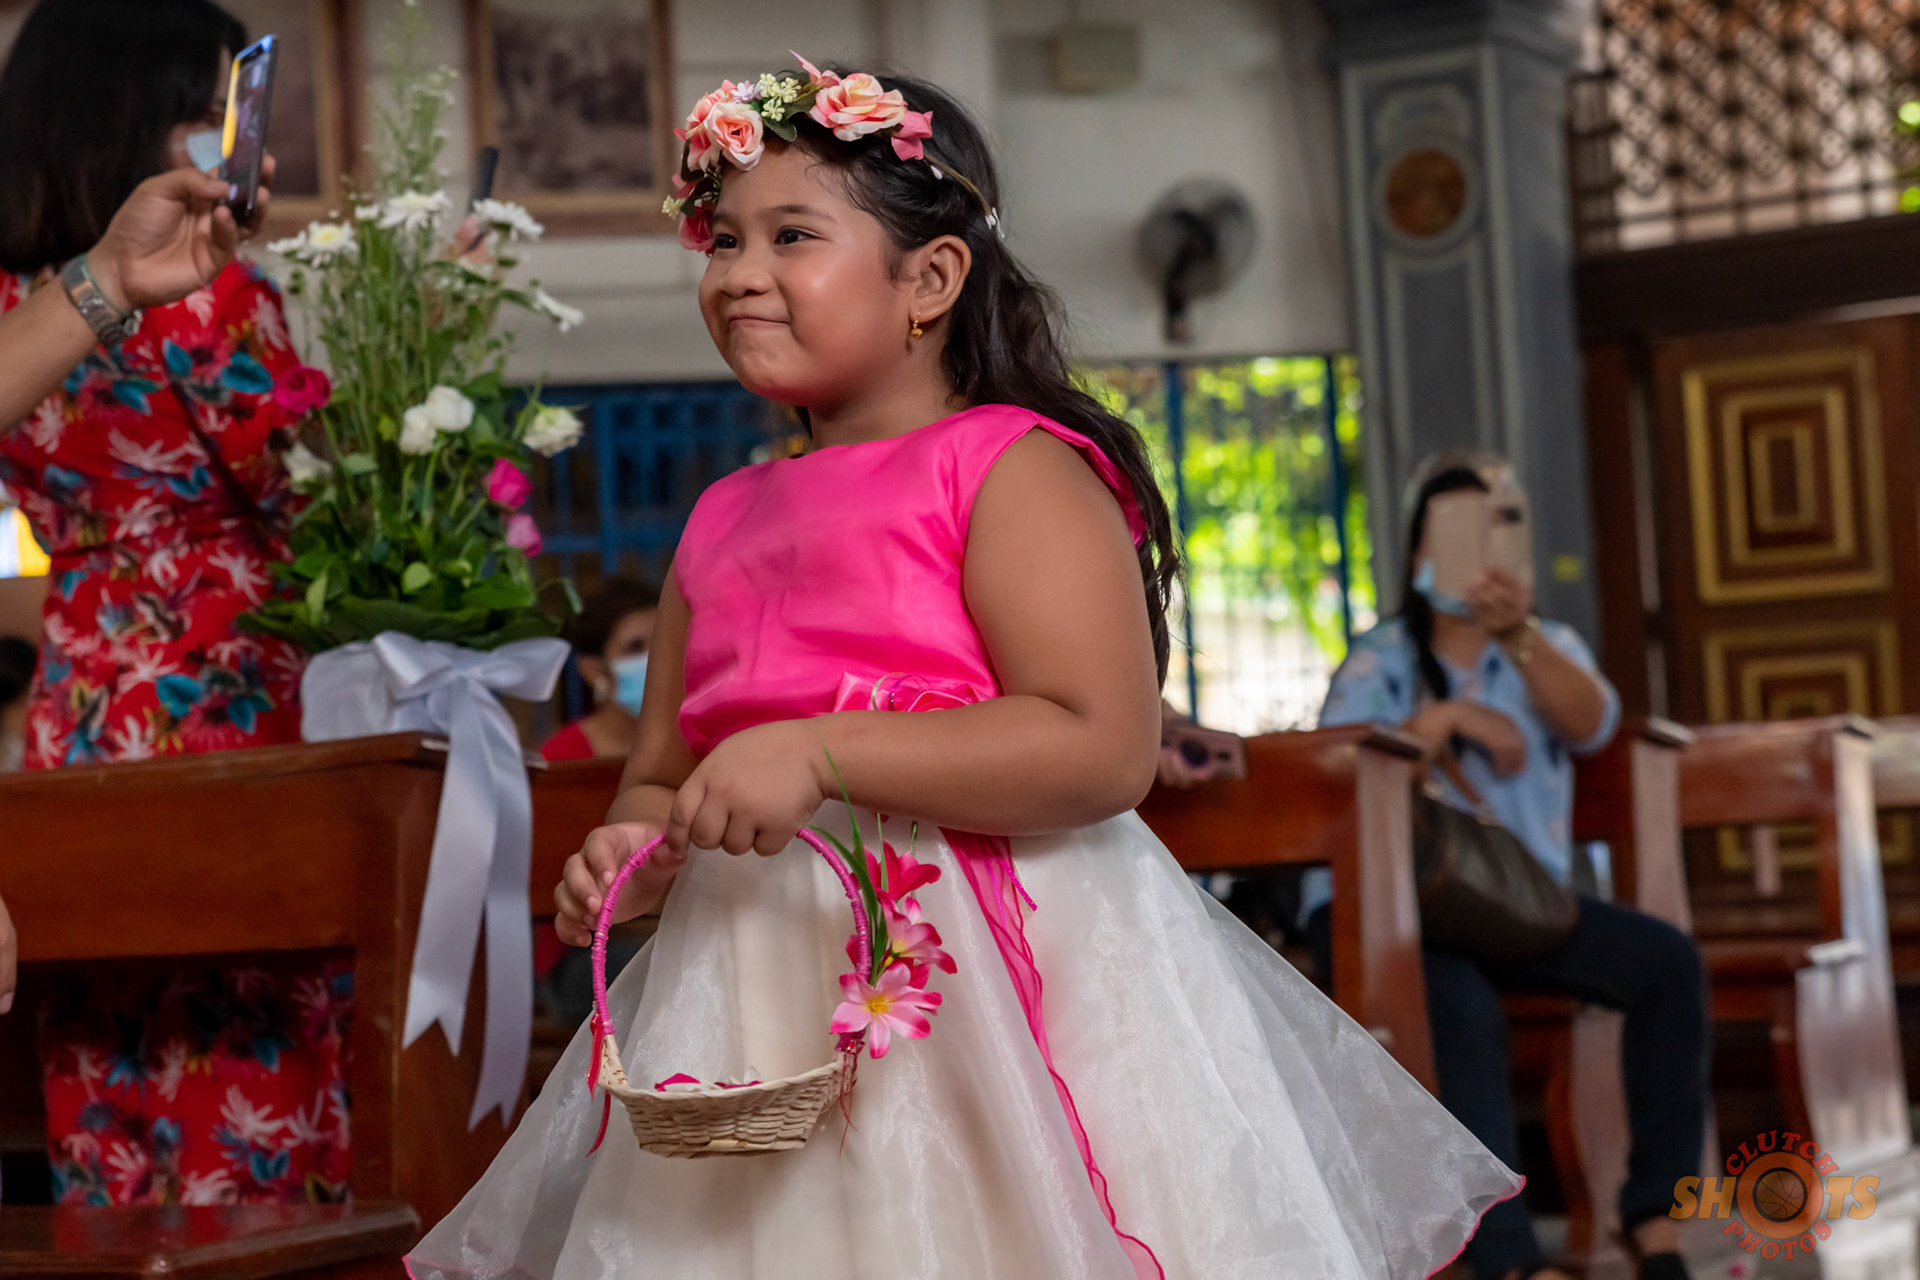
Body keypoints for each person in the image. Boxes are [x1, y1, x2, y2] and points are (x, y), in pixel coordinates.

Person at [408, 63, 1519, 1279]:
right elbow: (661, 773)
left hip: (992, 980)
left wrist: (818, 750)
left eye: (792, 236)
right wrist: (642, 846)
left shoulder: (1011, 467)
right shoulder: (721, 516)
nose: (738, 273)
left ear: (930, 279)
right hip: (750, 994)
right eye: (724, 240)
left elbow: (1102, 745)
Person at [0, 0, 348, 1206]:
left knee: (103, 1027)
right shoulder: (207, 292)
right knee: (249, 1018)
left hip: (83, 691)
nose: (220, 138)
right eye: (203, 110)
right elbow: (294, 488)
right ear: (130, 113)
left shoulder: (16, 303)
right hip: (224, 685)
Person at [1302, 453, 1707, 1280]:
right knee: (1458, 1005)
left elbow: (1594, 724)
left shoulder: (1548, 647)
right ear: (1419, 551)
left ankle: (1655, 1220)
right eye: (1453, 531)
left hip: (1515, 913)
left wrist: (1517, 635)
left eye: (1494, 530)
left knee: (1667, 963)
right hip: (1398, 911)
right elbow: (1341, 778)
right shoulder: (1381, 660)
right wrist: (1446, 719)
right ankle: (1514, 1264)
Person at [540, 577, 661, 762]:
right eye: (635, 647)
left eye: (661, 641)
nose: (656, 658)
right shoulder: (559, 760)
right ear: (593, 670)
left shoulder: (696, 741)